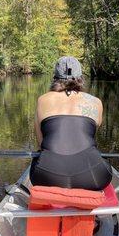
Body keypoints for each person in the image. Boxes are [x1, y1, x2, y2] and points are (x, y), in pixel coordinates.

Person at [30, 56, 112, 191]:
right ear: (80, 77)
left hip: (46, 177)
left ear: (55, 77)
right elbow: (90, 137)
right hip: (92, 177)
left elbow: (41, 143)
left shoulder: (43, 100)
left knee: (39, 159)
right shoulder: (95, 102)